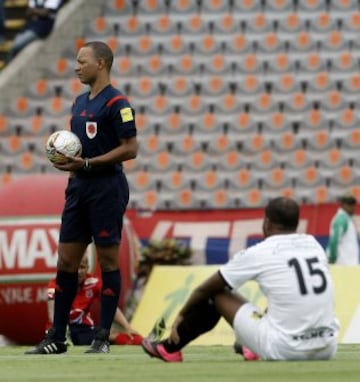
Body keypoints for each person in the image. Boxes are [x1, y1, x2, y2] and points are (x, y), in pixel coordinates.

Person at [26, 40, 138, 354]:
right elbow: (77, 148)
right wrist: (73, 173)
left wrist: (88, 164)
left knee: (107, 261)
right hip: (79, 190)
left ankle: (102, 338)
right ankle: (57, 338)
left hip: (107, 189)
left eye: (82, 61)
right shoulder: (78, 103)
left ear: (101, 63)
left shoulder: (118, 103)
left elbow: (130, 149)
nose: (76, 67)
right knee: (65, 261)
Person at [141, 197, 340, 362]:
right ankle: (250, 346)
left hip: (286, 349)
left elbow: (205, 289)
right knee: (284, 294)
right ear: (296, 224)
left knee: (217, 293)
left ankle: (170, 348)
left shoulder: (260, 252)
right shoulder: (313, 244)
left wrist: (181, 315)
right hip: (326, 346)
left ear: (267, 223)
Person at [46, 254, 143, 346]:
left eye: (82, 267)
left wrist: (128, 327)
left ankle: (142, 342)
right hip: (61, 326)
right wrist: (61, 331)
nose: (79, 272)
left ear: (88, 268)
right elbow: (52, 313)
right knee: (54, 334)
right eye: (76, 267)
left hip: (83, 329)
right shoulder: (54, 284)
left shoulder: (94, 283)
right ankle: (60, 340)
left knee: (112, 336)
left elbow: (110, 307)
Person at [327, 193, 360, 265]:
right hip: (344, 265)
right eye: (350, 205)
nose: (353, 207)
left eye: (354, 204)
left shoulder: (348, 219)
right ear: (343, 205)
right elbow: (334, 241)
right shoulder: (341, 219)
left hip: (349, 265)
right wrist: (332, 259)